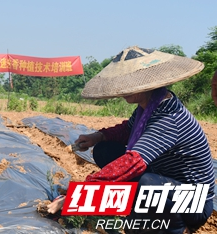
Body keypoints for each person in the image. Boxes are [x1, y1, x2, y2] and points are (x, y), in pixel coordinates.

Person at [48, 46, 214, 234]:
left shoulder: (168, 118)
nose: (123, 88)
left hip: (195, 202)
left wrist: (77, 196)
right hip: (167, 180)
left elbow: (132, 162)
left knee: (146, 183)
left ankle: (176, 227)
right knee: (104, 150)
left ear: (149, 82)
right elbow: (127, 129)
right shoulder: (149, 106)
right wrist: (97, 137)